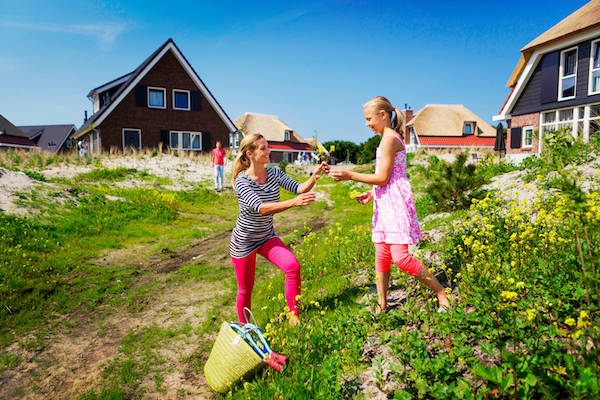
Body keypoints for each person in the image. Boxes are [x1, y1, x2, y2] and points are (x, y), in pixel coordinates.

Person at [330, 96, 450, 313]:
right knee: (382, 256)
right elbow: (389, 178)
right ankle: (382, 304)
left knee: (401, 258)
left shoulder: (389, 140)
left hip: (395, 204)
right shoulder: (386, 138)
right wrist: (372, 193)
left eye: (369, 118)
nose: (367, 124)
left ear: (383, 115)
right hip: (386, 201)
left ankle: (441, 292)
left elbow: (384, 178)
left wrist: (350, 175)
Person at [230, 133, 329, 325]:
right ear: (249, 153)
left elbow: (299, 188)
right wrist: (293, 203)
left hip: (266, 237)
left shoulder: (274, 174)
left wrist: (314, 177)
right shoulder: (242, 181)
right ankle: (247, 329)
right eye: (263, 148)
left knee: (293, 267)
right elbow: (261, 208)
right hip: (244, 241)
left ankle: (294, 318)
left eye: (268, 146)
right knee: (245, 289)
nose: (269, 151)